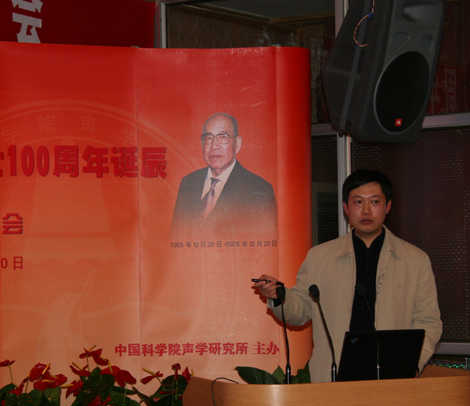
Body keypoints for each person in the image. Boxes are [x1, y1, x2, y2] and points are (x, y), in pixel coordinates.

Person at [254, 169, 442, 383]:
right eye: (358, 202)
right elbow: (302, 310)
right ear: (346, 208)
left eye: (375, 202)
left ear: (388, 206)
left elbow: (428, 322)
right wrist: (280, 296)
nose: (366, 210)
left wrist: (411, 363)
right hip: (334, 375)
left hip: (392, 376)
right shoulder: (320, 257)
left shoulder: (415, 260)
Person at [171, 112, 277, 239]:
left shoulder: (259, 191)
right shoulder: (188, 183)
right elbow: (176, 239)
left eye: (223, 137)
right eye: (208, 138)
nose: (214, 146)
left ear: (237, 144)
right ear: (202, 144)